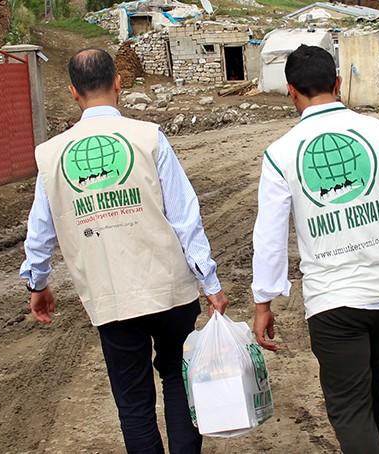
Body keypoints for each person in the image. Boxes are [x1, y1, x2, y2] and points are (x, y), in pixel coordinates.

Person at [20, 48, 229, 454]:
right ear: (118, 83)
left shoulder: (50, 155)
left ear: (72, 93)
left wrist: (38, 282)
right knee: (178, 379)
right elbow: (186, 215)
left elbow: (40, 230)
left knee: (133, 403)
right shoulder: (149, 137)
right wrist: (211, 282)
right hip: (170, 290)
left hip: (111, 296)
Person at [250, 44, 379, 454]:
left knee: (348, 410)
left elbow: (269, 235)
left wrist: (263, 303)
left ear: (291, 91)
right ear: (338, 83)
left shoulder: (280, 153)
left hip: (333, 300)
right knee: (370, 393)